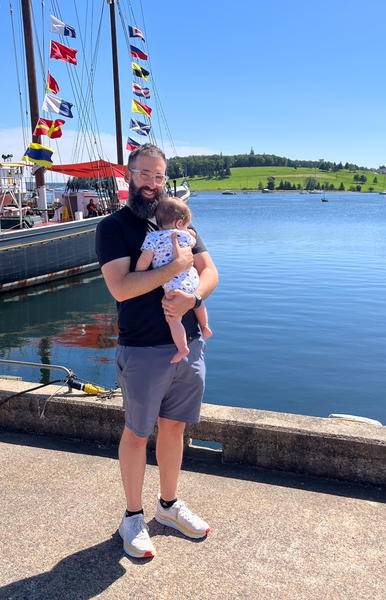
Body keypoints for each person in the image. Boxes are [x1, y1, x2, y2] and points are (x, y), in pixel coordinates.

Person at [95, 143, 218, 558]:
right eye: (144, 174)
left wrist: (191, 298)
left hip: (187, 345)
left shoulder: (180, 223)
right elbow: (122, 288)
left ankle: (167, 506)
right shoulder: (113, 228)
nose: (152, 183)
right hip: (143, 347)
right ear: (129, 175)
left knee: (175, 427)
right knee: (137, 433)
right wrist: (175, 270)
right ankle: (132, 517)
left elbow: (211, 272)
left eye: (159, 176)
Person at [135, 197, 213, 363]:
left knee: (173, 319)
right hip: (192, 277)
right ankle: (205, 326)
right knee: (198, 303)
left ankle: (182, 347)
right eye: (186, 224)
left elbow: (144, 261)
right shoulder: (184, 235)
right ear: (179, 223)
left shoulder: (153, 238)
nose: (187, 228)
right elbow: (192, 241)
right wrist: (189, 233)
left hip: (173, 284)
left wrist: (138, 272)